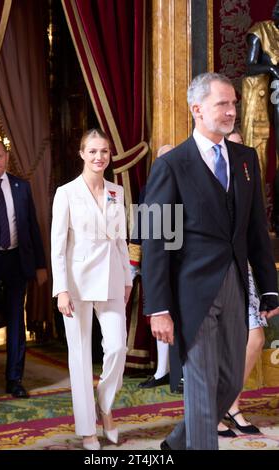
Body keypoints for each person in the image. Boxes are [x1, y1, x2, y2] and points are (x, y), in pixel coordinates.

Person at [142, 72, 279, 450]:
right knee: (201, 388)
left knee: (231, 381)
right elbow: (155, 241)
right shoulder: (170, 166)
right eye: (223, 104)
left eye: (234, 103)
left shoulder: (246, 159)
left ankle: (176, 443)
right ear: (197, 109)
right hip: (191, 295)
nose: (232, 110)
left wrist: (269, 289)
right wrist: (158, 307)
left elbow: (255, 231)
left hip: (236, 287)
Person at [51, 128, 132, 451]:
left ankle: (106, 405)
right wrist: (61, 290)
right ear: (82, 154)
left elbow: (121, 239)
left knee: (116, 348)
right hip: (76, 283)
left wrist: (127, 278)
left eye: (104, 152)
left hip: (112, 279)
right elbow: (58, 246)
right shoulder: (66, 193)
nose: (99, 157)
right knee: (80, 357)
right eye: (93, 151)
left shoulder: (116, 190)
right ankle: (87, 429)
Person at [0, 139, 47, 397]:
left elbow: (32, 227)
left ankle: (14, 379)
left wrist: (40, 264)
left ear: (7, 156)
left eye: (0, 156)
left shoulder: (21, 186)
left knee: (16, 319)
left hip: (16, 261)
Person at [217, 129, 265, 437]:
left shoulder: (247, 181)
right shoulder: (201, 175)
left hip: (243, 267)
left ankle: (230, 402)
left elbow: (257, 230)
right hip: (208, 273)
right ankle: (215, 409)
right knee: (218, 346)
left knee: (256, 338)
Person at [133, 145, 183, 393]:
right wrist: (135, 263)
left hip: (185, 264)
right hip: (158, 262)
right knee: (162, 314)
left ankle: (180, 373)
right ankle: (162, 370)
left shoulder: (189, 188)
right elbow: (141, 228)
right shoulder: (147, 191)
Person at [241, 1, 279, 228]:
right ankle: (262, 219)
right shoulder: (260, 32)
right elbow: (250, 67)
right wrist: (272, 69)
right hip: (270, 96)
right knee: (261, 156)